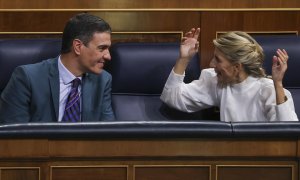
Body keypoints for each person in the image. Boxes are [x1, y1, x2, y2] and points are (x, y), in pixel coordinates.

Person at [160, 28, 298, 122]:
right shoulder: (217, 82)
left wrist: (278, 84)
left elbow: (289, 134)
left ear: (236, 67)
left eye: (218, 60)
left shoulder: (269, 90)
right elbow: (171, 97)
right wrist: (184, 59)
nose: (212, 64)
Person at [0, 13, 115, 123]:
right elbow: (14, 136)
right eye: (102, 48)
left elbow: (109, 134)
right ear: (78, 47)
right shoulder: (27, 78)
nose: (108, 56)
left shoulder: (103, 80)